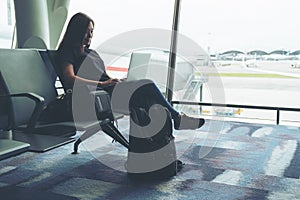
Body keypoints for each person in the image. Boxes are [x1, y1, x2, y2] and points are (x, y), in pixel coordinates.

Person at [57, 12, 204, 130]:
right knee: (148, 84)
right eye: (87, 32)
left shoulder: (91, 52)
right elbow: (69, 78)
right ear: (77, 31)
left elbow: (104, 76)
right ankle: (177, 119)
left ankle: (151, 148)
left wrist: (116, 80)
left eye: (92, 31)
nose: (90, 35)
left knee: (149, 101)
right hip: (97, 96)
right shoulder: (68, 51)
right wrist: (103, 84)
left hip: (109, 90)